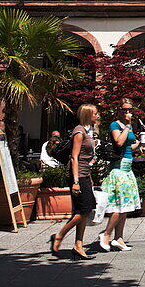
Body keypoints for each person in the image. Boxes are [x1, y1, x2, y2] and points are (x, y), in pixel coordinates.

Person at [50, 106, 98, 260]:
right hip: (78, 175)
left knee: (82, 211)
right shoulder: (79, 132)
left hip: (85, 174)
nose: (98, 115)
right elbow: (73, 157)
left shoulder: (86, 130)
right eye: (95, 113)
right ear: (87, 115)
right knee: (85, 209)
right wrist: (76, 181)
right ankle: (59, 235)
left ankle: (78, 245)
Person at [100, 99, 142, 252]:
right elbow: (118, 142)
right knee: (119, 206)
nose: (127, 113)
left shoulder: (127, 127)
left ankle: (119, 238)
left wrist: (139, 143)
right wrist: (129, 126)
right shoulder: (115, 125)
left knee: (127, 205)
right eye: (124, 110)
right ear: (118, 111)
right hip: (118, 169)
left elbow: (128, 145)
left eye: (130, 109)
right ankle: (106, 234)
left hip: (127, 168)